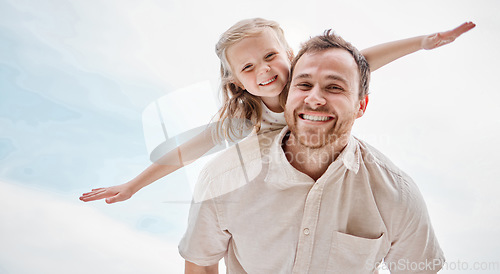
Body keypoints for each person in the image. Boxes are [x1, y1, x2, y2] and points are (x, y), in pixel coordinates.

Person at [79, 18, 475, 204]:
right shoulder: (242, 120)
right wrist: (132, 185)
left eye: (270, 56)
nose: (264, 70)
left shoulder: (311, 85)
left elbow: (362, 60)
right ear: (236, 82)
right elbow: (185, 150)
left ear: (289, 55)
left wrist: (422, 42)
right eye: (248, 67)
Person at [180, 30, 445, 273]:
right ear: (287, 96)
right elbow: (200, 266)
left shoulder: (397, 194)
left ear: (361, 105)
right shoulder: (222, 179)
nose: (315, 99)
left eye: (334, 87)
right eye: (304, 85)